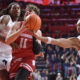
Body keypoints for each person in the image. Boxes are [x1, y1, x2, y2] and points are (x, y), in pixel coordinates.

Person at [8, 4, 43, 80]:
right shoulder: (16, 25)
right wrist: (21, 30)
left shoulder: (38, 32)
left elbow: (37, 51)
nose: (28, 14)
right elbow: (7, 40)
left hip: (28, 60)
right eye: (27, 12)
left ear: (35, 17)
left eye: (31, 13)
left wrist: (33, 33)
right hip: (15, 59)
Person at [0, 2, 21, 80]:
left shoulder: (19, 25)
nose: (16, 10)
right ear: (9, 10)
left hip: (11, 56)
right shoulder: (6, 18)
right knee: (4, 77)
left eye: (18, 8)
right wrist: (10, 43)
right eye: (14, 8)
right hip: (1, 54)